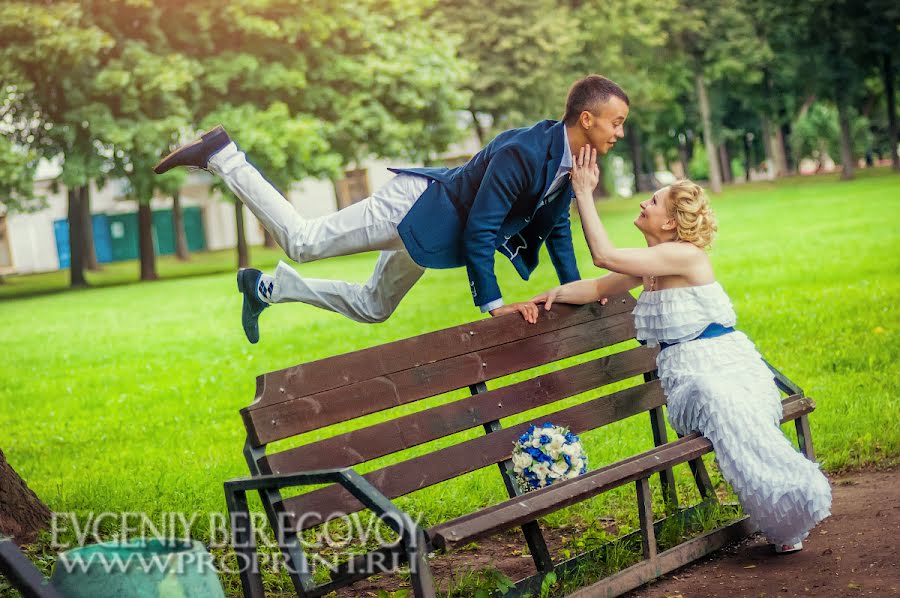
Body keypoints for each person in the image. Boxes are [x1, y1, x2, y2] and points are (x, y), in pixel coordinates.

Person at [153, 75, 630, 343]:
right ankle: (222, 154)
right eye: (616, 122)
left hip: (433, 232)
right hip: (417, 206)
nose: (619, 133)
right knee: (302, 241)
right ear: (586, 119)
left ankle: (265, 288)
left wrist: (579, 289)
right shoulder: (525, 152)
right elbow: (482, 228)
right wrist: (495, 306)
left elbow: (556, 232)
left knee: (373, 307)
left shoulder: (575, 165)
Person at [528, 146, 832, 552]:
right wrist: (549, 296)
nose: (642, 202)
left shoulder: (683, 255)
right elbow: (599, 286)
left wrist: (583, 193)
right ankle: (786, 502)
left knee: (730, 403)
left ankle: (790, 497)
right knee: (713, 395)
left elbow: (604, 256)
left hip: (733, 365)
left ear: (670, 222)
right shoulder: (654, 262)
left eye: (652, 201)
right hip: (689, 377)